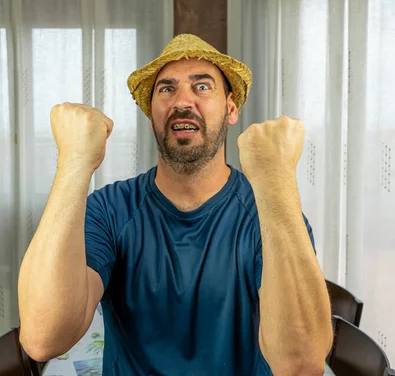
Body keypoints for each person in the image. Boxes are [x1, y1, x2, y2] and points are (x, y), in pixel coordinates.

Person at [17, 34, 332, 376]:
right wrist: (74, 162)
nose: (183, 101)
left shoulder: (269, 215)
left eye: (202, 87)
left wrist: (276, 181)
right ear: (151, 116)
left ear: (230, 109)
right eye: (166, 89)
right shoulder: (110, 210)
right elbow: (43, 339)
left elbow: (301, 365)